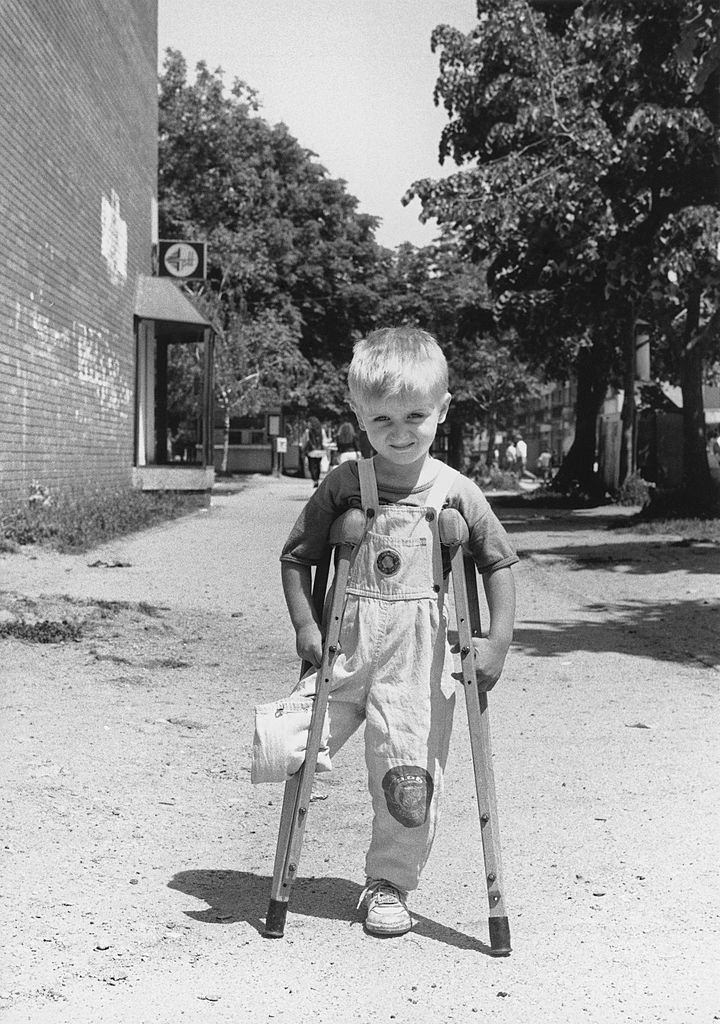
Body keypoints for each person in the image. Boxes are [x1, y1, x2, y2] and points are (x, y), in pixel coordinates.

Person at [259, 326, 517, 937]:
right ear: (357, 414)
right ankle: (298, 773)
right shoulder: (345, 484)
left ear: (443, 410)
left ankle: (389, 883)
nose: (399, 433)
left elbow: (498, 563)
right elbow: (297, 556)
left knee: (408, 774)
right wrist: (305, 626)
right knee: (286, 741)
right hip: (346, 641)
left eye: (414, 416)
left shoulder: (457, 492)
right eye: (381, 420)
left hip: (421, 654)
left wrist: (496, 642)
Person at [303, 416, 325, 488]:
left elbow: (305, 441)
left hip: (311, 451)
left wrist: (303, 449)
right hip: (320, 451)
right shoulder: (322, 430)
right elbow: (324, 441)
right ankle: (317, 479)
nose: (307, 424)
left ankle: (314, 480)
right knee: (318, 465)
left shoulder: (307, 431)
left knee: (311, 466)